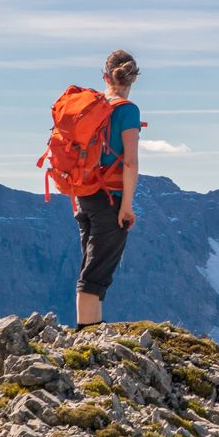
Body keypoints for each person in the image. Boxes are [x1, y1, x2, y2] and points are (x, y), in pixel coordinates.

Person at [74, 49, 142, 331]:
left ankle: (89, 329)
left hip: (84, 194)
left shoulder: (89, 109)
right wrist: (126, 205)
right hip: (109, 197)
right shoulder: (128, 111)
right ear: (132, 80)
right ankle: (88, 336)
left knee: (91, 264)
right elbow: (130, 161)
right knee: (96, 273)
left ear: (105, 76)